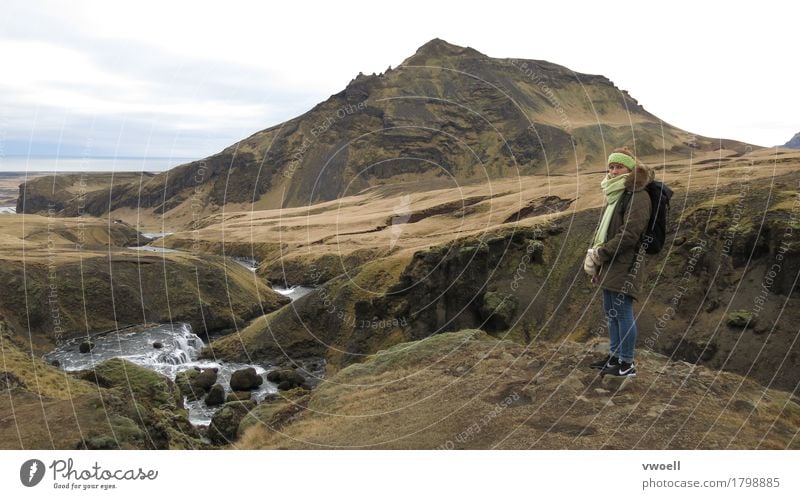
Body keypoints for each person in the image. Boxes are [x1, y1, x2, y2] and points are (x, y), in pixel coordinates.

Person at [584, 147, 654, 377]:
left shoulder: (638, 195)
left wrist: (601, 253)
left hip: (627, 263)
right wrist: (601, 262)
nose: (613, 172)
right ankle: (614, 358)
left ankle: (627, 363)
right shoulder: (619, 195)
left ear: (630, 169)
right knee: (611, 312)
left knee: (622, 312)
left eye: (619, 167)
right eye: (611, 167)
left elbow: (630, 234)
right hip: (612, 263)